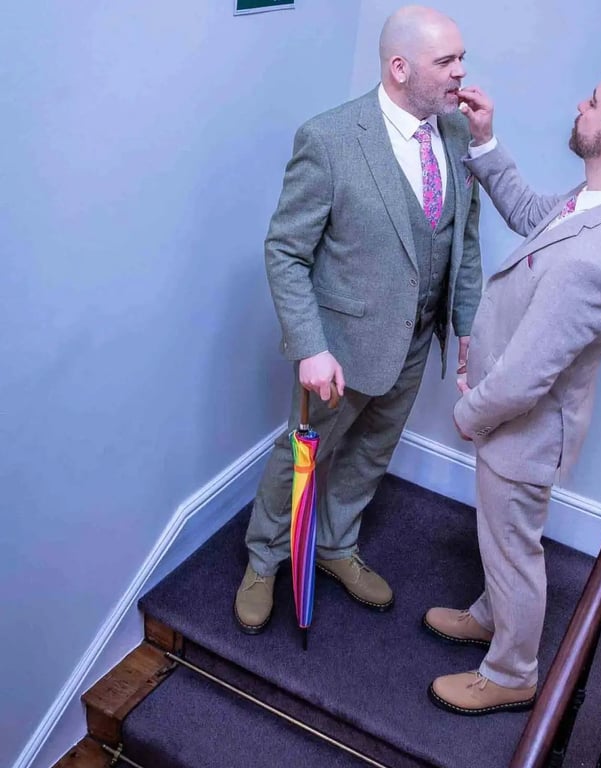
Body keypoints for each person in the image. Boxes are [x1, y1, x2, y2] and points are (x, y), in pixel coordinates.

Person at [424, 62, 601, 714]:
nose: (580, 105)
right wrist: (485, 140)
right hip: (518, 419)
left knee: (513, 550)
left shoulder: (600, 259)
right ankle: (493, 617)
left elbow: (525, 378)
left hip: (524, 430)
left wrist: (468, 414)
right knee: (503, 540)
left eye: (594, 102)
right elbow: (531, 215)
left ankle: (512, 672)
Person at [235, 5, 482, 634]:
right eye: (446, 62)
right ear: (400, 68)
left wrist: (465, 326)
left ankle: (335, 544)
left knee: (373, 450)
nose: (460, 72)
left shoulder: (458, 134)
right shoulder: (330, 140)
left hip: (414, 342)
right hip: (340, 348)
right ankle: (263, 559)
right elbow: (286, 251)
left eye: (461, 58)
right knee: (301, 455)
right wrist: (310, 346)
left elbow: (465, 238)